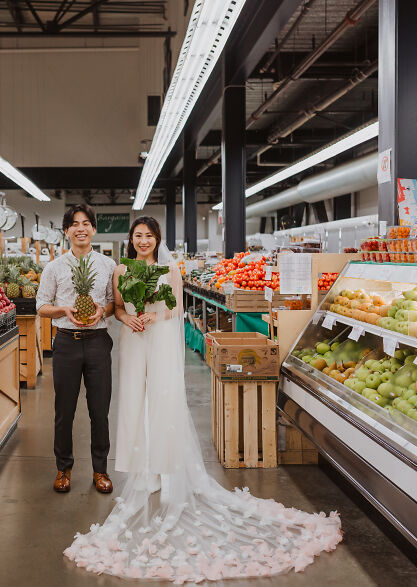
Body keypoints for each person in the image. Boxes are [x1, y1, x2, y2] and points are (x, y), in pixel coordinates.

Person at [64, 217, 342, 583]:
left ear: (157, 239)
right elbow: (117, 307)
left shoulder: (171, 269)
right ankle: (142, 467)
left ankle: (166, 464)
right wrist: (126, 318)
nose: (143, 240)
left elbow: (176, 308)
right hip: (133, 338)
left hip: (160, 334)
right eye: (137, 236)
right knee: (133, 400)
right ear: (130, 240)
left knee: (163, 397)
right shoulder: (121, 270)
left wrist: (153, 313)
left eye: (148, 236)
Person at [36, 204, 118, 495]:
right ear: (67, 231)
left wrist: (102, 312)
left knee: (100, 411)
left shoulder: (108, 265)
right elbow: (41, 306)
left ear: (94, 229)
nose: (81, 228)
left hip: (97, 341)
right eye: (74, 224)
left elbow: (112, 302)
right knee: (64, 411)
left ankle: (100, 470)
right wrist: (63, 310)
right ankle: (63, 468)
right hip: (67, 342)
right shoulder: (54, 267)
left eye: (86, 223)